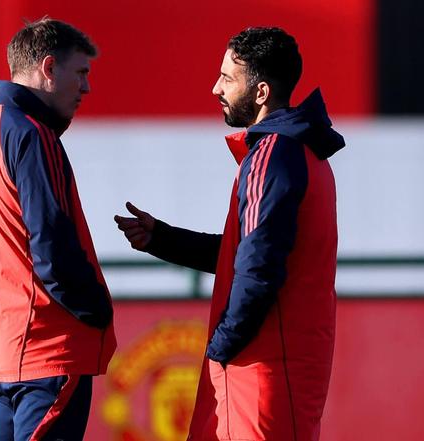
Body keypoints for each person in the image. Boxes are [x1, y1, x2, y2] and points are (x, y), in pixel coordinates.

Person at [115, 27, 345, 440]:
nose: (215, 88)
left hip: (260, 370)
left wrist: (222, 346)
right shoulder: (300, 152)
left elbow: (258, 267)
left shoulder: (273, 155)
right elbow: (251, 253)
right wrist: (163, 238)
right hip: (277, 368)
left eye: (227, 78)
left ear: (260, 92)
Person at [0, 18, 116, 441]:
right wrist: (96, 309)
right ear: (48, 68)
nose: (86, 87)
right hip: (48, 348)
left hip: (5, 352)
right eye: (81, 73)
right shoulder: (31, 134)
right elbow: (52, 242)